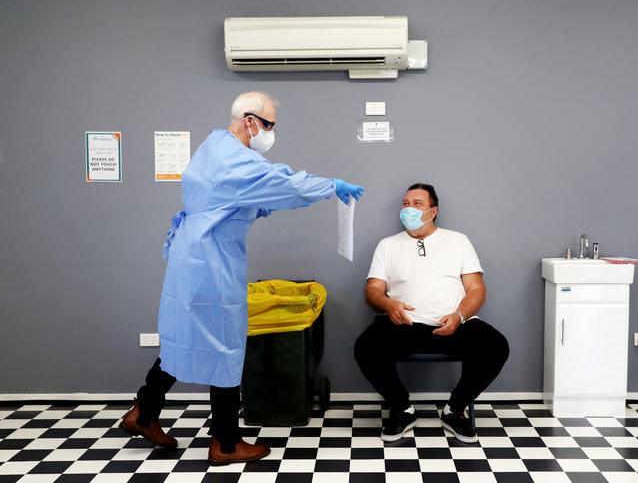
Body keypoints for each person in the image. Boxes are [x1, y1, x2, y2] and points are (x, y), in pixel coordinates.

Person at [119, 91, 364, 464]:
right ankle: (226, 444)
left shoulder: (213, 146)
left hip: (193, 257)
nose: (270, 133)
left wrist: (260, 206)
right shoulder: (235, 160)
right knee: (227, 347)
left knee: (182, 339)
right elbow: (285, 183)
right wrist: (330, 186)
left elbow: (238, 197)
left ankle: (144, 411)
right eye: (268, 126)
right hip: (211, 261)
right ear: (250, 121)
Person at [354, 183, 508, 444]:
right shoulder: (387, 246)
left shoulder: (458, 241)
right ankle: (402, 409)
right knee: (365, 347)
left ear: (433, 211)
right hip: (404, 325)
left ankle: (455, 409)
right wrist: (391, 306)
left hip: (454, 324)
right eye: (405, 203)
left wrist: (459, 316)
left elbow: (476, 289)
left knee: (495, 346)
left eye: (417, 204)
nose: (408, 208)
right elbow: (373, 290)